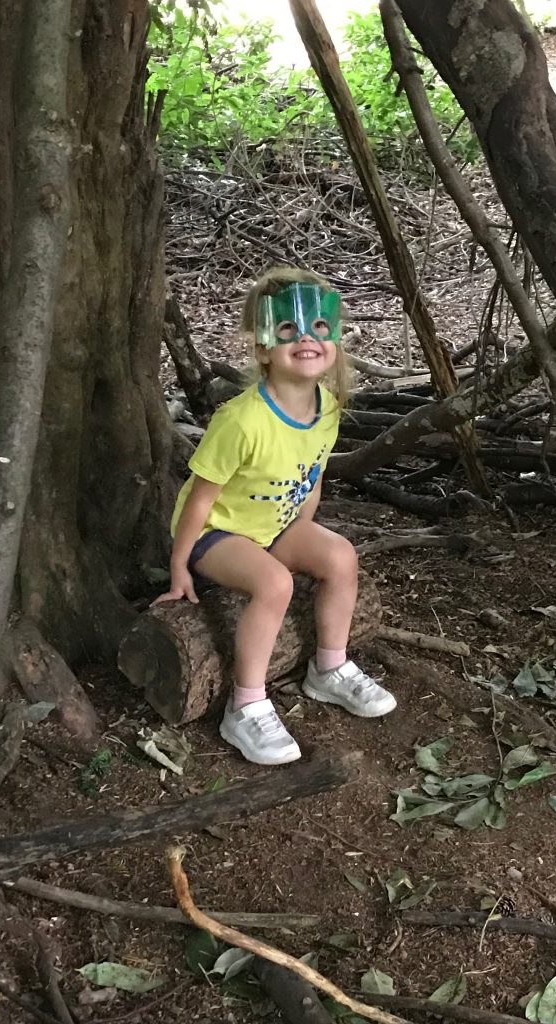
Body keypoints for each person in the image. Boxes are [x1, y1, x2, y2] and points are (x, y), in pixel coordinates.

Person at [156, 267, 396, 765]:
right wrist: (180, 565)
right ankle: (245, 705)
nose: (307, 337)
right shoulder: (241, 420)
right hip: (215, 533)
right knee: (275, 585)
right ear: (264, 347)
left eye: (320, 329)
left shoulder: (326, 407)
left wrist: (306, 528)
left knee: (340, 556)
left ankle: (329, 669)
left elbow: (312, 472)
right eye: (288, 329)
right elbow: (200, 499)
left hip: (273, 527)